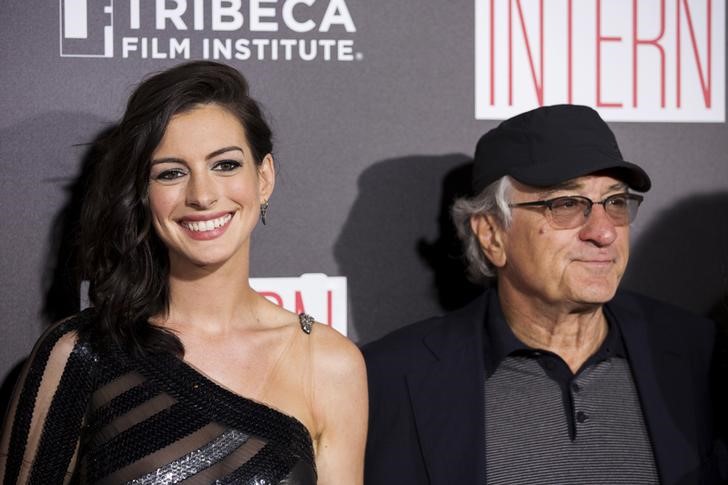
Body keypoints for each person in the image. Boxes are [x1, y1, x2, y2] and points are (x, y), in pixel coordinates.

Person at [0, 61, 367, 484]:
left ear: (263, 177)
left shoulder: (330, 363)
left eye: (225, 165)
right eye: (171, 173)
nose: (203, 195)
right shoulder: (81, 353)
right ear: (141, 193)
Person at [363, 105, 726, 484]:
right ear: (492, 235)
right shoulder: (393, 377)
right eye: (567, 204)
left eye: (616, 202)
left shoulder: (697, 354)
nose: (604, 232)